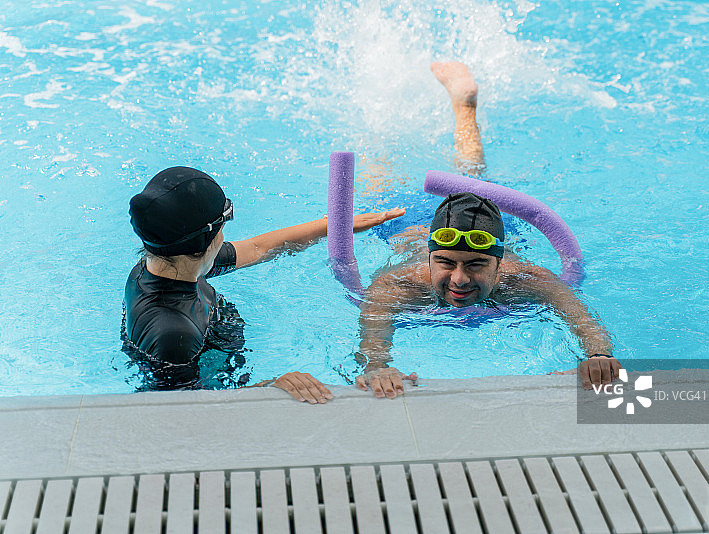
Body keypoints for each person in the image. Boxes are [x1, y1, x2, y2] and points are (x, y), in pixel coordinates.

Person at [354, 62, 621, 399]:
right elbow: (372, 347)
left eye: (477, 264)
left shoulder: (526, 278)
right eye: (447, 263)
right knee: (378, 188)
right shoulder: (397, 285)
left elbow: (584, 322)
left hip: (494, 220)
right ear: (431, 256)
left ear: (499, 264)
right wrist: (378, 366)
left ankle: (465, 106)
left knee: (474, 181)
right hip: (404, 220)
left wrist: (597, 355)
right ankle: (380, 122)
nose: (460, 279)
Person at [122, 166, 404, 402]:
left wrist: (335, 225)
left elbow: (258, 248)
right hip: (212, 376)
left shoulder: (168, 262)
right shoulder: (172, 334)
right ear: (204, 243)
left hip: (211, 340)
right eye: (225, 224)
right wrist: (271, 388)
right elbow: (187, 412)